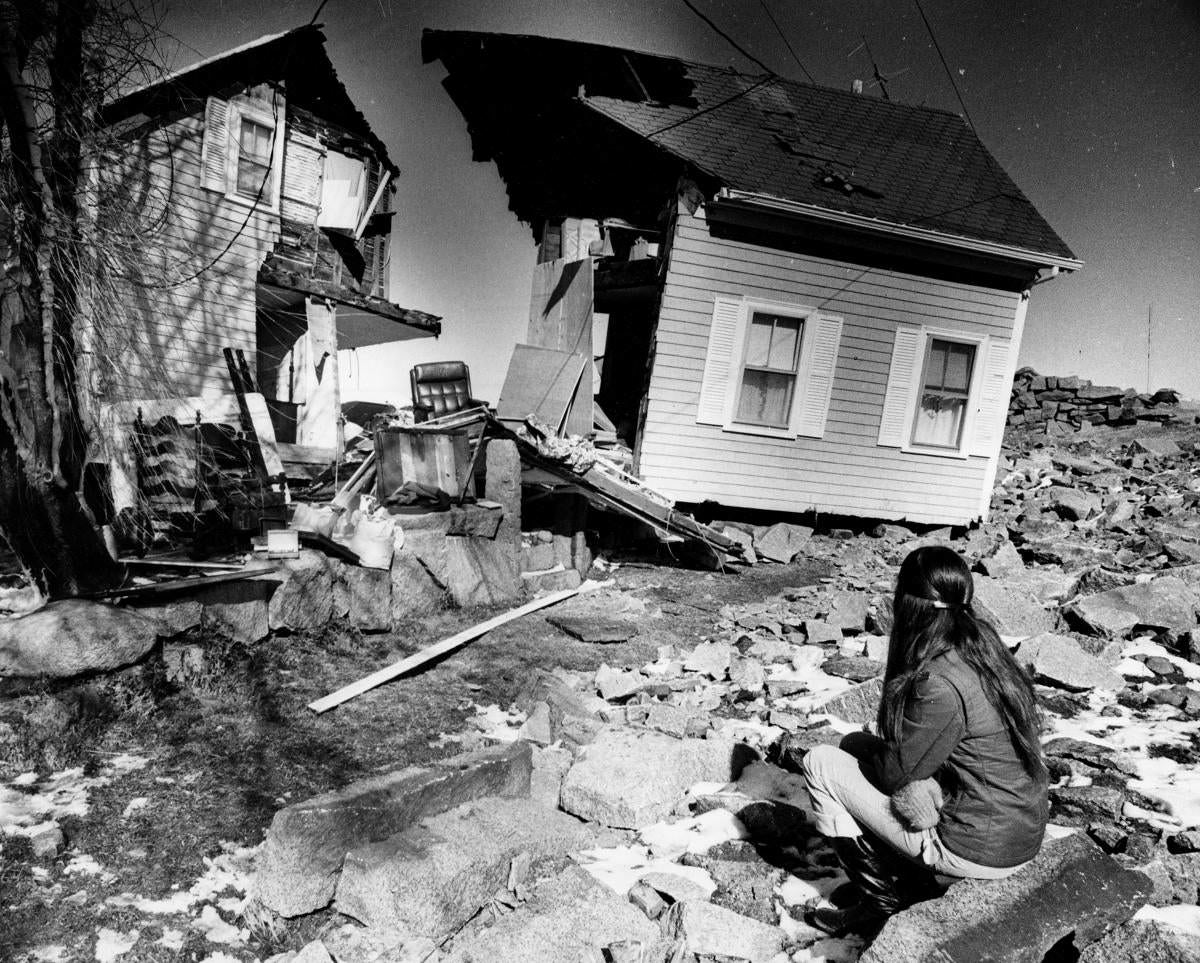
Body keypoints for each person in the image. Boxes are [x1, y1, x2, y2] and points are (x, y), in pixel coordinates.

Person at [801, 545, 1048, 939]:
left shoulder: (940, 682)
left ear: (910, 606)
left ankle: (880, 906)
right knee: (852, 744)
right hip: (1015, 826)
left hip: (980, 847)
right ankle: (901, 873)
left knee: (819, 762)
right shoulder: (980, 642)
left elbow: (894, 777)